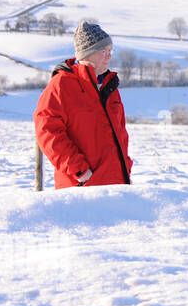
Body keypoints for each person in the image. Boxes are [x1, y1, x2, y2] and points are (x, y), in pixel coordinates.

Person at [34, 19, 133, 188]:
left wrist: (125, 170)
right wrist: (79, 171)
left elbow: (121, 134)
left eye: (110, 50)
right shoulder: (62, 84)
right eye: (104, 51)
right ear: (87, 53)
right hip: (81, 189)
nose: (109, 56)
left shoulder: (110, 87)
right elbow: (47, 131)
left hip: (116, 186)